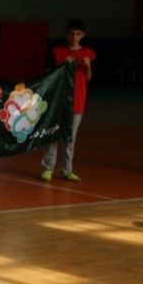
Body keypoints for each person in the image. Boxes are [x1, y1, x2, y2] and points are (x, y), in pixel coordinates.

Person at [41, 19, 95, 182]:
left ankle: (67, 170)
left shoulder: (88, 53)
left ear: (83, 35)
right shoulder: (57, 52)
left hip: (77, 101)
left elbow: (89, 78)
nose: (74, 37)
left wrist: (88, 67)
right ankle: (48, 168)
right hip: (59, 101)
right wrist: (62, 66)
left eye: (78, 34)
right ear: (66, 34)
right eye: (71, 33)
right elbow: (48, 76)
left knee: (70, 137)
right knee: (54, 135)